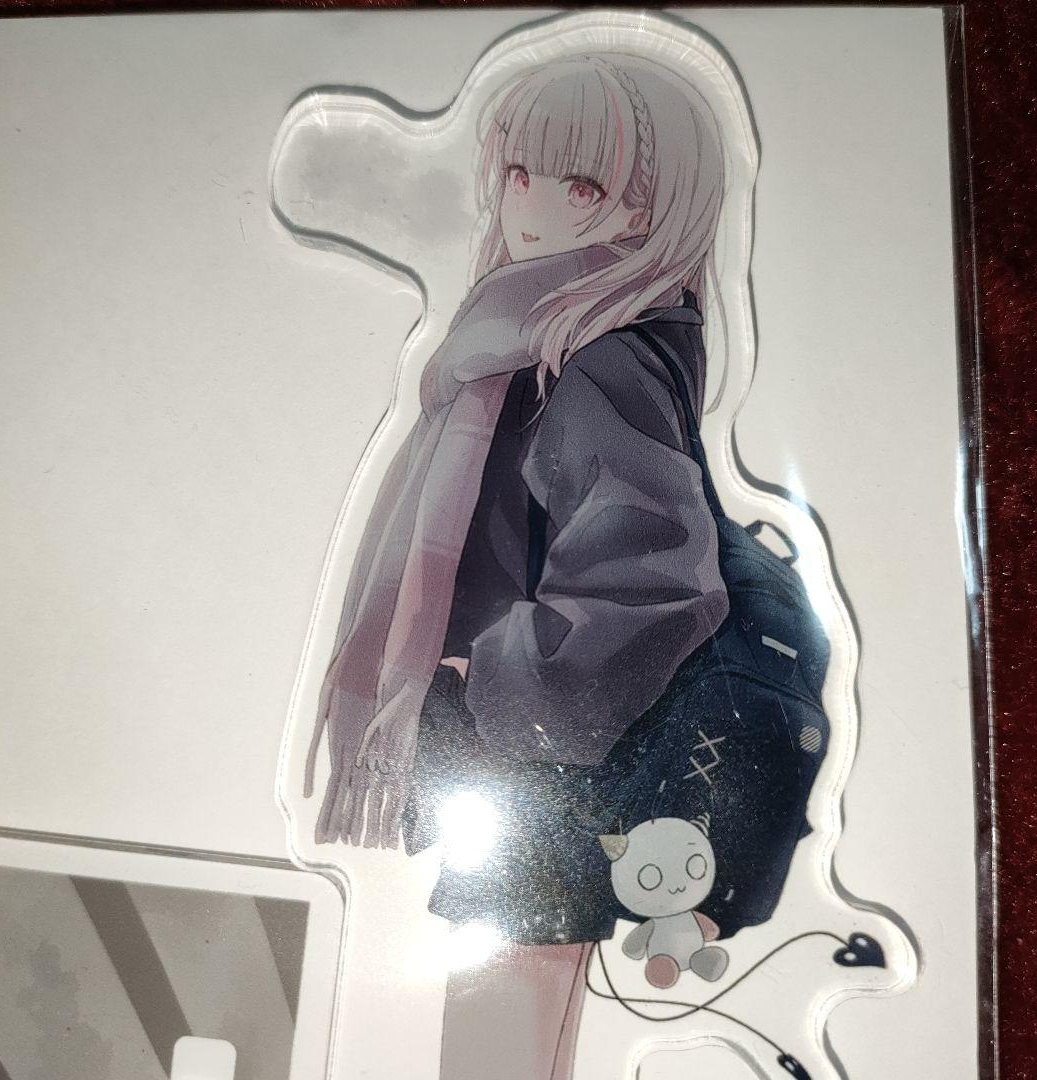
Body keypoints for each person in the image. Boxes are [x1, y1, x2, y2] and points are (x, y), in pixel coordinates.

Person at [306, 53, 733, 1080]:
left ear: (652, 205)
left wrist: (491, 676)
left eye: (581, 184)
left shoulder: (592, 358)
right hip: (526, 762)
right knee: (515, 1032)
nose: (533, 207)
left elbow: (657, 578)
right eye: (519, 173)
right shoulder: (518, 342)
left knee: (500, 1035)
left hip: (541, 765)